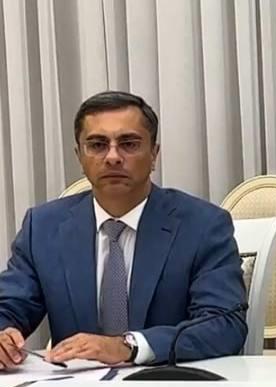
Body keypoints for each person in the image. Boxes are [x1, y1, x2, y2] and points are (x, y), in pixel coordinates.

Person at [0, 90, 247, 369]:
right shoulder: (44, 227)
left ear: (154, 154)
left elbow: (224, 324)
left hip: (170, 384)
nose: (113, 157)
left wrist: (128, 346)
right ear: (79, 156)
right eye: (97, 145)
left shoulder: (203, 225)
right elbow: (10, 305)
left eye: (129, 144)